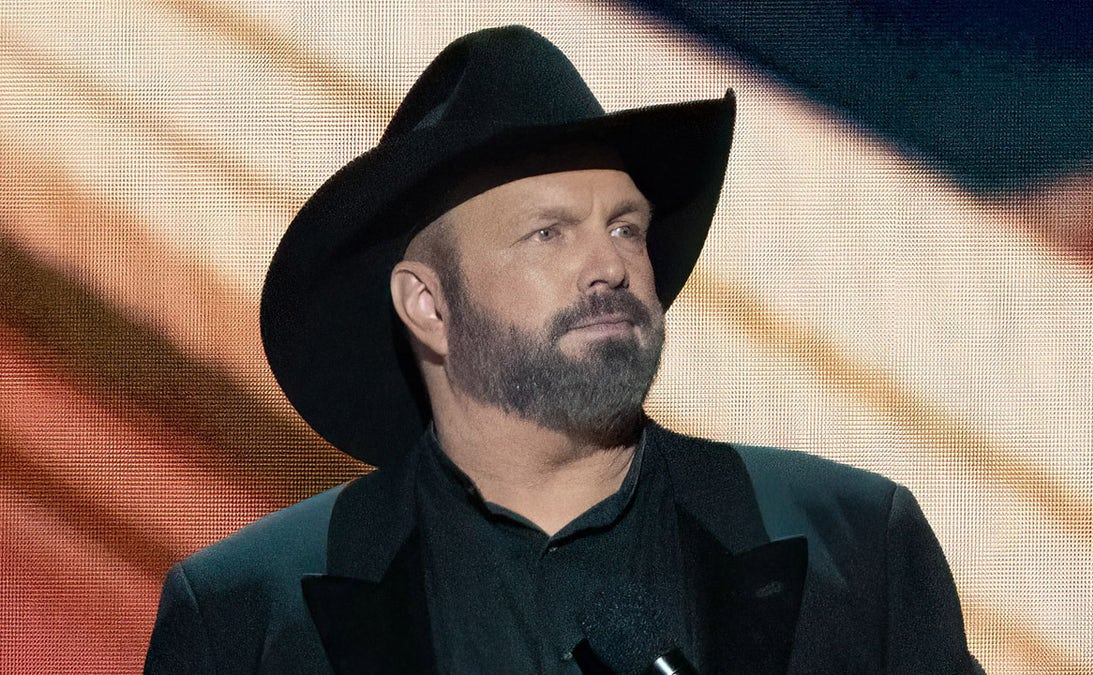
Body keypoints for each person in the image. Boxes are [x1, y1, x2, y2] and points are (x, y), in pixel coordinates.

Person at [144, 25, 982, 674]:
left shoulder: (859, 548)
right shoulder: (244, 619)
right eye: (548, 233)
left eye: (626, 226)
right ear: (429, 305)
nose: (611, 264)